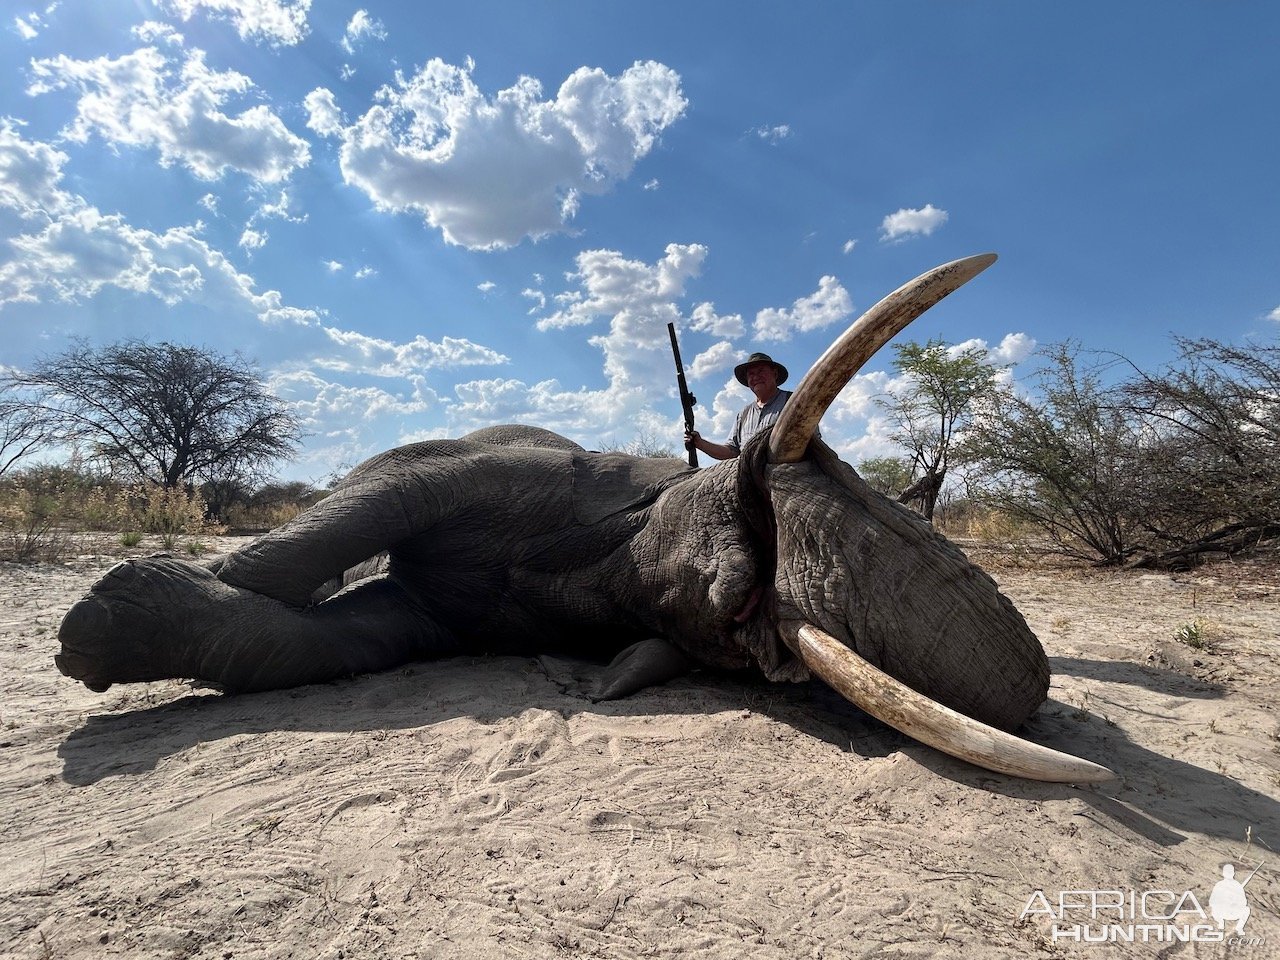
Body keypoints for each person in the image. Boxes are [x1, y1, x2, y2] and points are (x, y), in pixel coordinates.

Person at [685, 352, 797, 461]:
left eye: (761, 371)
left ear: (775, 374)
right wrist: (700, 443)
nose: (756, 377)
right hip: (747, 477)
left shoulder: (794, 402)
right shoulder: (743, 414)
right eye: (751, 374)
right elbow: (731, 452)